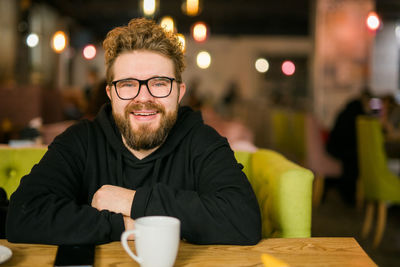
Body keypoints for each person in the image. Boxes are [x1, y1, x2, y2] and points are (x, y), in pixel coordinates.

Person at [6, 18, 261, 245]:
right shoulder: (80, 141)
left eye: (159, 83)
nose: (143, 98)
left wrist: (133, 201)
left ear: (179, 93)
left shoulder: (202, 141)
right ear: (110, 94)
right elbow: (23, 215)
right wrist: (128, 226)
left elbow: (243, 219)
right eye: (128, 85)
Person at [325, 88, 372, 204]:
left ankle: (337, 185)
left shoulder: (347, 110)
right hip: (342, 150)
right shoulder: (359, 115)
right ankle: (352, 195)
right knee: (357, 158)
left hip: (332, 147)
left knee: (355, 156)